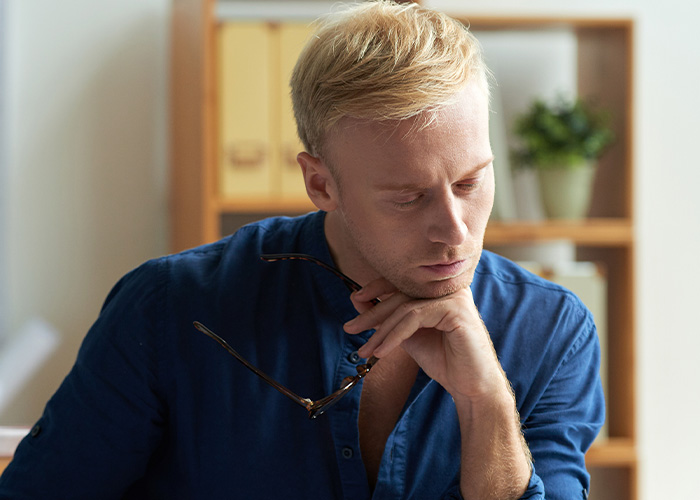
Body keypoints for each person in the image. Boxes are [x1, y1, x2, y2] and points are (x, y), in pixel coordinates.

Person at [0, 1, 604, 499]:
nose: (455, 230)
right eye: (407, 197)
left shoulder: (551, 329)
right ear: (320, 183)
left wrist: (486, 399)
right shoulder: (170, 308)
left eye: (471, 183)